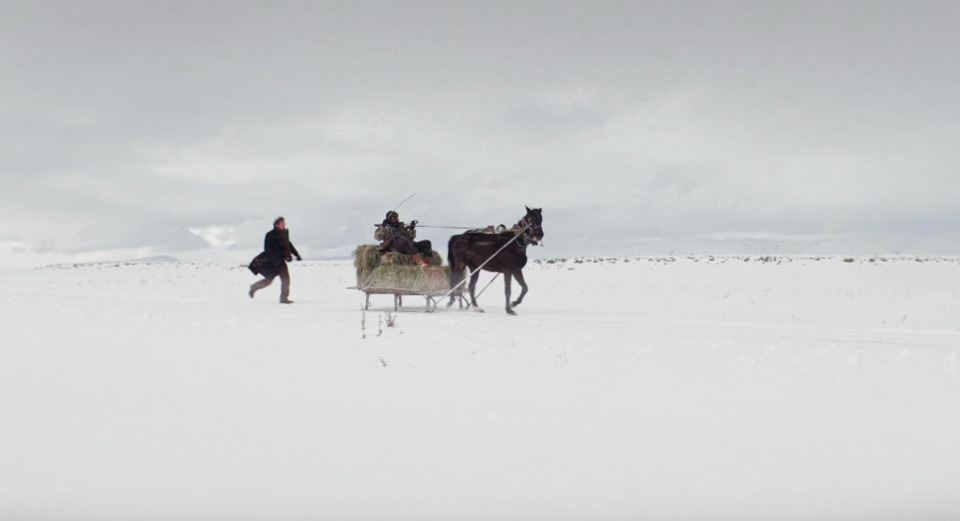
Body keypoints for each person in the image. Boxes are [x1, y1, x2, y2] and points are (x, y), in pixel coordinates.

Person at [248, 216, 301, 303]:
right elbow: (267, 249)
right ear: (277, 225)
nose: (284, 225)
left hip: (280, 261)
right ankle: (254, 287)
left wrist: (296, 255)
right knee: (272, 280)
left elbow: (289, 246)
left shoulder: (284, 235)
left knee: (283, 280)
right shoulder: (270, 235)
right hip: (271, 262)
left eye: (284, 223)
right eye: (282, 223)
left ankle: (283, 298)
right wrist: (276, 259)